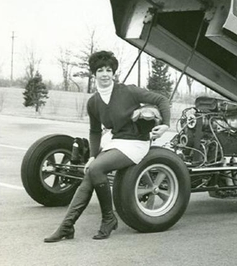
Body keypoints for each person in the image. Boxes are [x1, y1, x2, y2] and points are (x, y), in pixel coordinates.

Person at [44, 50, 170, 242]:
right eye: (100, 70)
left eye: (108, 70)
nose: (104, 74)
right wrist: (93, 155)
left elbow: (161, 100)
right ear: (94, 74)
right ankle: (67, 226)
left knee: (95, 170)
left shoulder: (128, 91)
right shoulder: (93, 102)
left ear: (113, 73)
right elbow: (95, 132)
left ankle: (108, 218)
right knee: (91, 172)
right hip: (116, 141)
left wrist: (165, 125)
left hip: (136, 142)